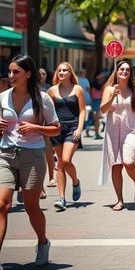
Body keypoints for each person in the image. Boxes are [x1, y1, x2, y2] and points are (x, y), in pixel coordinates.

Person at [0, 55, 60, 270]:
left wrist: (36, 128)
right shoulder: (2, 98)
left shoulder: (42, 99)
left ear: (28, 73)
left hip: (32, 156)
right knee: (2, 205)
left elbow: (56, 129)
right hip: (5, 154)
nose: (11, 76)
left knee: (31, 208)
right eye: (10, 71)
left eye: (16, 72)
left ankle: (43, 242)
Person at [99, 60, 135, 211]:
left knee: (128, 162)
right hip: (113, 131)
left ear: (130, 73)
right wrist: (112, 95)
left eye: (127, 69)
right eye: (121, 69)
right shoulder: (109, 89)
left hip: (132, 129)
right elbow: (103, 110)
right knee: (116, 165)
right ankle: (119, 200)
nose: (124, 71)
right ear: (117, 71)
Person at [47, 62, 85, 211]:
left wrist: (80, 128)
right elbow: (49, 111)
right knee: (61, 165)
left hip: (72, 127)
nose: (62, 73)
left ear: (70, 73)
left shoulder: (78, 89)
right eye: (59, 70)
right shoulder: (52, 91)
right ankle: (61, 198)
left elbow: (82, 111)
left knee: (65, 160)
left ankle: (75, 182)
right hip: (57, 128)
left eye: (65, 70)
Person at [90, 72, 106, 137]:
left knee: (97, 118)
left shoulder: (98, 83)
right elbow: (100, 89)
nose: (102, 75)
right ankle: (96, 133)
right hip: (97, 100)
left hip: (98, 100)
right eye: (100, 74)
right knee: (97, 118)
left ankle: (97, 133)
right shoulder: (97, 83)